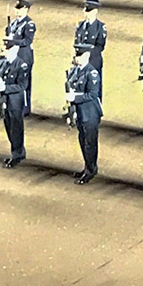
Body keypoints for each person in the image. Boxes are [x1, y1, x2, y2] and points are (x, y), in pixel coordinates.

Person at [63, 44, 103, 184]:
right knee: (82, 140)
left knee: (89, 142)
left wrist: (75, 97)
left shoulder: (91, 73)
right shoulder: (75, 71)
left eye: (80, 56)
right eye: (76, 55)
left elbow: (92, 94)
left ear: (87, 56)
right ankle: (87, 166)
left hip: (90, 113)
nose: (77, 58)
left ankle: (91, 170)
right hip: (80, 113)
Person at [0, 38, 31, 167]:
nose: (4, 50)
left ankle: (17, 153)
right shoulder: (3, 63)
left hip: (16, 100)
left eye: (8, 48)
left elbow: (22, 86)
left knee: (16, 127)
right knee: (8, 125)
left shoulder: (21, 65)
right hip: (6, 100)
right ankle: (16, 150)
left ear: (15, 50)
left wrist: (5, 88)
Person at [4, 0, 38, 112]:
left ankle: (25, 108)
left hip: (24, 56)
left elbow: (27, 41)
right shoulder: (13, 23)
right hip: (13, 55)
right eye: (16, 9)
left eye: (20, 9)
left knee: (23, 83)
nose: (17, 12)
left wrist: (13, 42)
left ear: (26, 10)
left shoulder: (29, 24)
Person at [75, 0, 106, 76]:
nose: (85, 12)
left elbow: (100, 46)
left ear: (95, 11)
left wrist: (86, 54)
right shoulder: (80, 25)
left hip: (93, 61)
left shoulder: (100, 27)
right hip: (81, 61)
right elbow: (77, 42)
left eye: (88, 10)